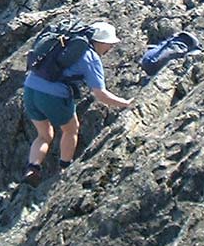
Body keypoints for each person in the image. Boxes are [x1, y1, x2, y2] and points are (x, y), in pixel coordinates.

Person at [22, 21, 134, 185]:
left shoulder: (64, 42)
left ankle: (33, 168)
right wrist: (125, 103)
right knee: (71, 130)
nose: (110, 49)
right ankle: (64, 170)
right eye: (109, 45)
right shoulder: (90, 56)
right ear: (101, 42)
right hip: (53, 96)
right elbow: (100, 94)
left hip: (30, 89)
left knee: (44, 135)